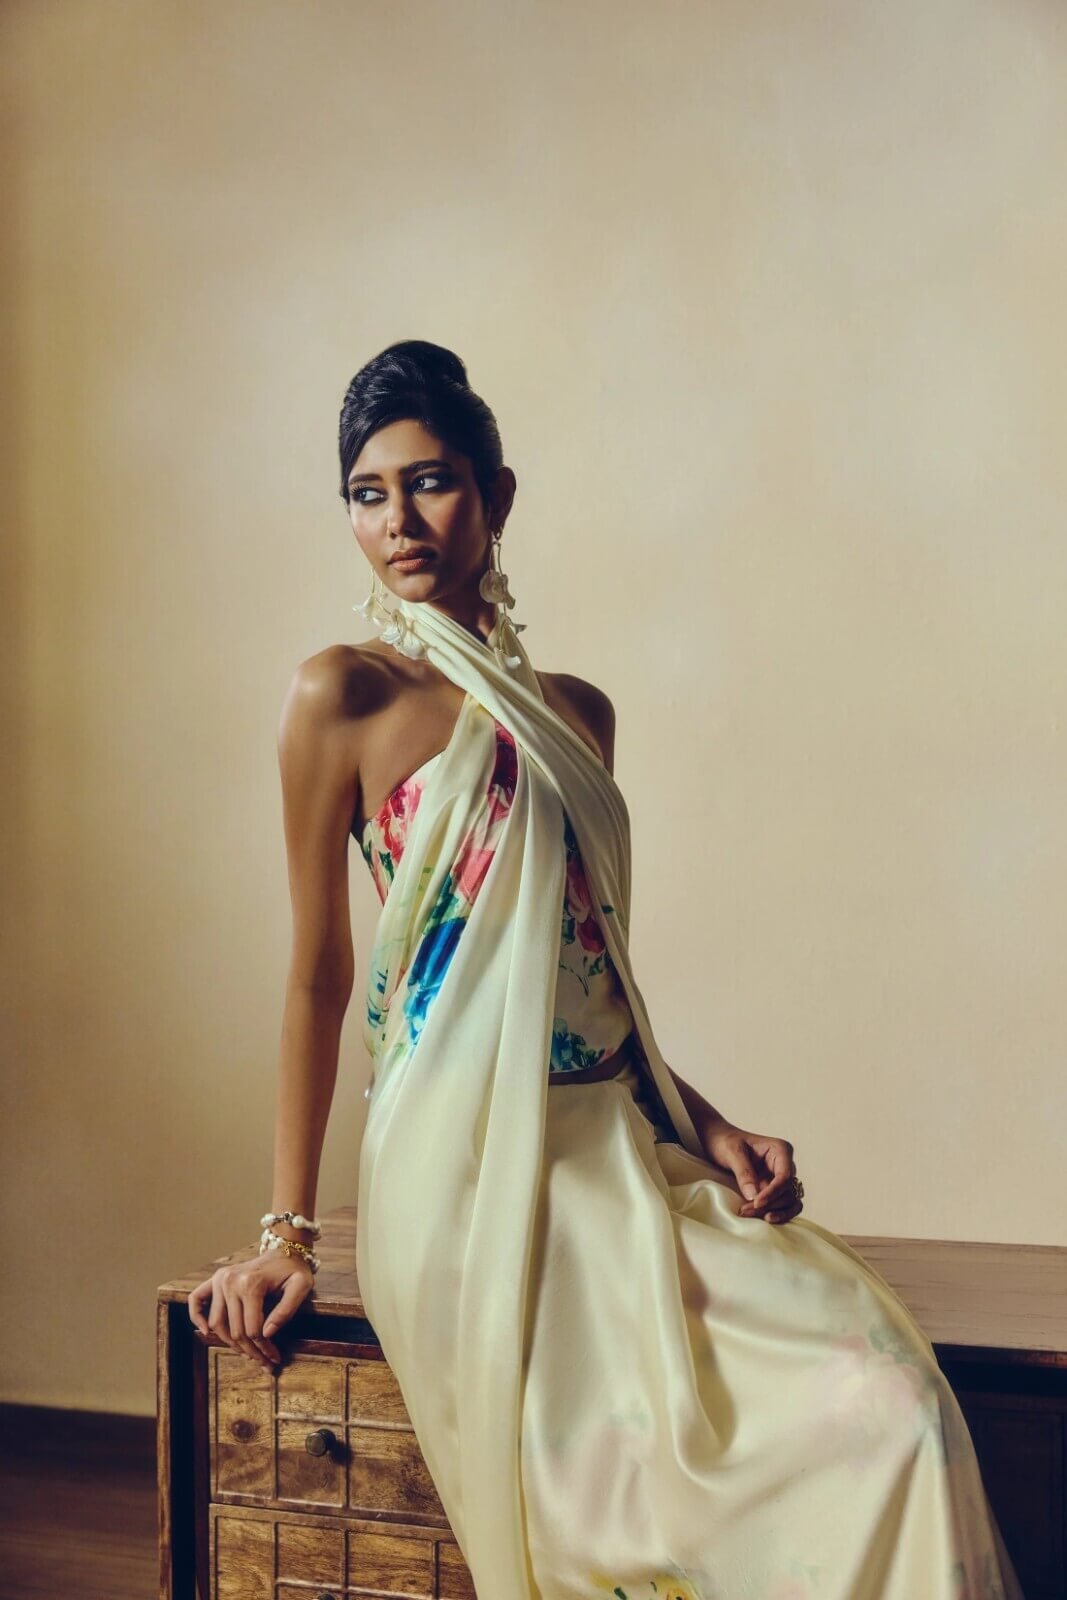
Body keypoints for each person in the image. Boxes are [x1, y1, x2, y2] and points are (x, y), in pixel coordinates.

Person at [189, 341, 1024, 1599]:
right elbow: (318, 978)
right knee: (620, 1493)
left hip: (613, 1145)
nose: (398, 520)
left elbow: (585, 981)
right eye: (367, 493)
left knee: (888, 1397)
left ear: (497, 496)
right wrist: (287, 1233)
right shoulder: (339, 697)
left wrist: (706, 1122)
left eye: (430, 482)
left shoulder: (578, 718)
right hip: (458, 1164)